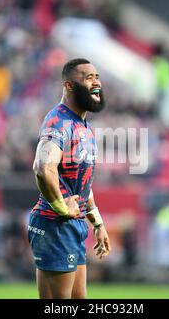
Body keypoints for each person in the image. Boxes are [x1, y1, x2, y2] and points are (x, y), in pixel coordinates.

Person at [29, 58, 111, 299]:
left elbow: (82, 185)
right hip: (54, 224)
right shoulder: (59, 121)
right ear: (69, 86)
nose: (96, 83)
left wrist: (97, 222)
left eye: (97, 77)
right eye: (88, 78)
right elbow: (43, 168)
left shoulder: (83, 126)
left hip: (71, 225)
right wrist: (61, 207)